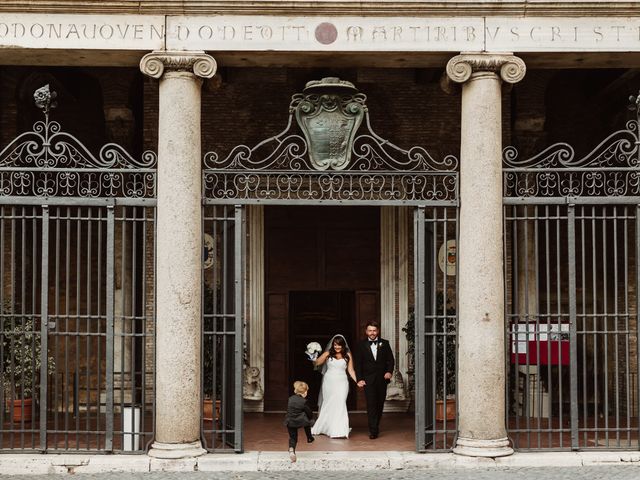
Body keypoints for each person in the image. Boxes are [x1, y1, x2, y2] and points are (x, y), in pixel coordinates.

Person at [310, 334, 357, 438]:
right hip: (329, 382)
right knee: (329, 403)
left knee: (340, 403)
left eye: (339, 345)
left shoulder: (348, 355)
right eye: (335, 345)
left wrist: (357, 381)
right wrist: (313, 355)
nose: (337, 347)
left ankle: (339, 430)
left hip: (342, 382)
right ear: (333, 345)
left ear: (343, 345)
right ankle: (327, 427)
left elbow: (351, 370)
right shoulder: (328, 353)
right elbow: (317, 363)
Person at [355, 321, 395, 439]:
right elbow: (358, 364)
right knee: (371, 404)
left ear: (378, 331)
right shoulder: (361, 345)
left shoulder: (385, 343)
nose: (372, 333)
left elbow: (391, 360)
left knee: (380, 404)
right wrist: (360, 379)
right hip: (368, 380)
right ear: (366, 332)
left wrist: (389, 372)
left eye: (374, 330)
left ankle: (375, 424)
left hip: (382, 379)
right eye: (370, 330)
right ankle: (373, 430)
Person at [283, 380, 315, 463]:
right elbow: (309, 412)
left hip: (289, 421)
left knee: (293, 438)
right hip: (299, 421)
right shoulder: (304, 402)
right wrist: (311, 419)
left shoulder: (290, 399)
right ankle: (309, 437)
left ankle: (291, 449)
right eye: (306, 391)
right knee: (308, 421)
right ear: (304, 392)